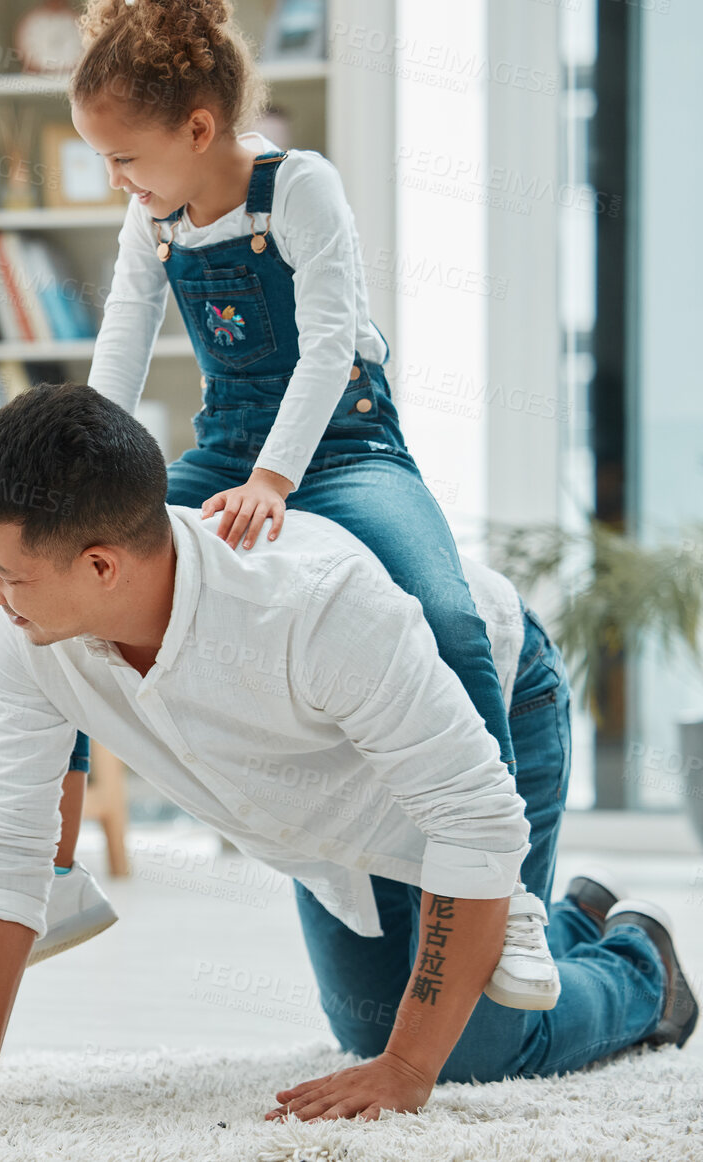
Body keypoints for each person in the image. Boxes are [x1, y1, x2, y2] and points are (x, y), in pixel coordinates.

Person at [0, 385, 694, 1125]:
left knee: (470, 1052)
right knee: (372, 1025)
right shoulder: (22, 627)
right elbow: (4, 838)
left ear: (102, 564)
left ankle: (640, 962)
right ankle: (573, 916)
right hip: (326, 805)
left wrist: (409, 1071)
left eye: (3, 573)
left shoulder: (313, 605)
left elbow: (472, 817)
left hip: (493, 713)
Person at [33, 0, 528, 976]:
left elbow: (331, 344)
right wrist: (75, 480)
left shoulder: (298, 190)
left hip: (345, 446)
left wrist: (275, 479)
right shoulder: (156, 219)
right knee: (59, 586)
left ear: (199, 129)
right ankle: (47, 868)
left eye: (124, 157)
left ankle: (507, 899)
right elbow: (123, 338)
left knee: (448, 612)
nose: (115, 182)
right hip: (226, 443)